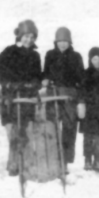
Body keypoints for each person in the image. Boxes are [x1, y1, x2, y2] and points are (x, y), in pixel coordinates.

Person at [0, 20, 42, 176]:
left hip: (27, 98)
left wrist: (34, 84)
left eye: (32, 37)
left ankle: (23, 163)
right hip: (11, 97)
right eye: (26, 36)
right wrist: (6, 84)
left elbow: (37, 77)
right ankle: (13, 163)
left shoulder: (35, 55)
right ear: (20, 36)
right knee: (12, 131)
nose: (28, 40)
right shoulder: (9, 51)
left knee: (25, 131)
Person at [42, 27, 84, 172]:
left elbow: (81, 79)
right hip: (52, 93)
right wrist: (45, 79)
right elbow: (45, 72)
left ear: (70, 42)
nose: (62, 44)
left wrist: (80, 98)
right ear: (56, 41)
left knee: (69, 128)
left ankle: (65, 162)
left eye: (65, 41)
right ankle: (53, 159)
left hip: (70, 95)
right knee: (51, 127)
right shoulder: (50, 54)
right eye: (60, 41)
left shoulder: (76, 56)